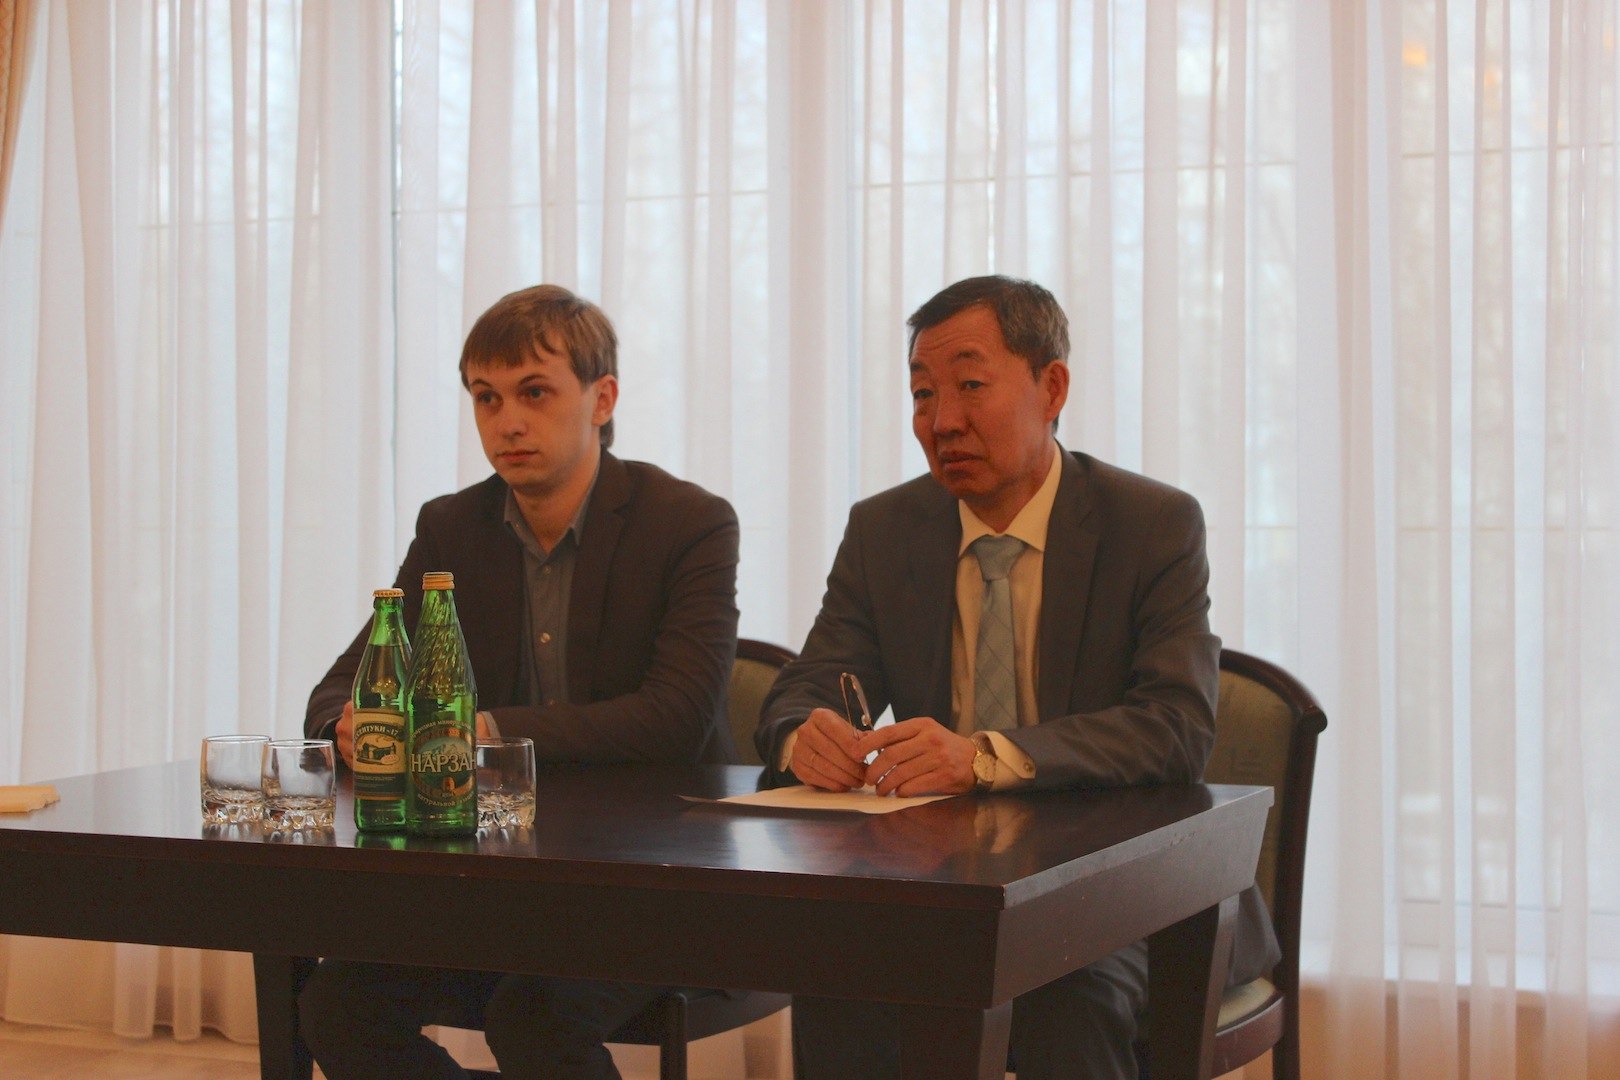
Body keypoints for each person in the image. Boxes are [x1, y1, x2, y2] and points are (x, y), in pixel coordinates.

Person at [755, 275, 1279, 1080]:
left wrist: (982, 757)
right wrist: (804, 736)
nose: (942, 421)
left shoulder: (1151, 524)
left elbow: (1176, 726)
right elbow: (807, 684)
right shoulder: (886, 529)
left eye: (970, 385)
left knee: (1064, 1001)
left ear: (1052, 386)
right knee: (839, 983)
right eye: (922, 394)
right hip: (947, 891)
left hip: (1126, 891)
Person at [299, 284, 741, 1080]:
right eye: (486, 397)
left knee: (534, 1018)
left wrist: (484, 730)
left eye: (534, 393)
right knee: (335, 1004)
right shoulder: (452, 527)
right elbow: (340, 688)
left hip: (657, 885)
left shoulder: (688, 522)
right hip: (500, 884)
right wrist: (351, 722)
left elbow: (676, 716)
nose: (506, 422)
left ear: (602, 399)